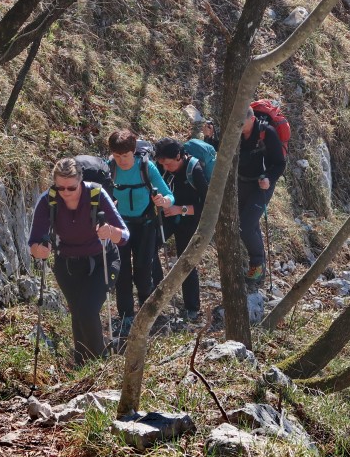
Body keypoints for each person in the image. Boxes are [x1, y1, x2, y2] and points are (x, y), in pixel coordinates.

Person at [28, 158, 129, 365]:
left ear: (81, 181)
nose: (65, 192)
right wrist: (40, 250)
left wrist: (110, 232)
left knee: (87, 309)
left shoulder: (97, 194)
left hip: (103, 259)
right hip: (68, 265)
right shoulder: (49, 200)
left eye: (71, 188)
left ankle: (99, 364)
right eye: (60, 187)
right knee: (77, 312)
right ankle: (82, 363)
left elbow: (125, 235)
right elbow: (34, 243)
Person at [204, 105, 286, 283]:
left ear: (252, 119)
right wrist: (209, 138)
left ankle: (257, 266)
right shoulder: (235, 131)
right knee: (249, 223)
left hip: (261, 185)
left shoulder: (267, 133)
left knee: (245, 226)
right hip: (241, 182)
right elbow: (224, 151)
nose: (239, 127)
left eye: (243, 124)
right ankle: (257, 268)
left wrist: (269, 179)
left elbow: (280, 163)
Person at [107, 128, 174, 335]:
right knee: (122, 274)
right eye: (117, 156)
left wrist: (163, 201)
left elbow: (169, 195)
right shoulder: (109, 168)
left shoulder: (146, 166)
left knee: (144, 273)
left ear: (133, 151)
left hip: (146, 225)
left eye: (125, 156)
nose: (121, 160)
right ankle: (126, 316)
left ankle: (148, 314)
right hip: (121, 227)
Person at [151, 137, 209, 321]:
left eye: (168, 164)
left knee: (186, 262)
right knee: (149, 248)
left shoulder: (195, 170)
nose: (165, 168)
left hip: (189, 220)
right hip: (166, 216)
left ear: (178, 156)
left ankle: (192, 307)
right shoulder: (162, 166)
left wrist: (180, 209)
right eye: (162, 164)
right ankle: (156, 296)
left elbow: (207, 205)